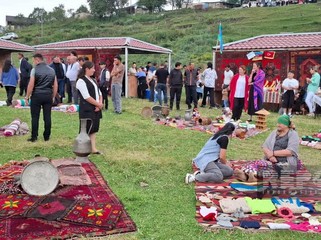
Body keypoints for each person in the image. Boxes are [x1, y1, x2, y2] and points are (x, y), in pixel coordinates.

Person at [235, 115, 299, 182]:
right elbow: (265, 146)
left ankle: (254, 177)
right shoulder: (274, 132)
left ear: (286, 125)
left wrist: (273, 153)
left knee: (271, 169)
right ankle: (245, 175)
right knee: (256, 164)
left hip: (285, 162)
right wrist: (270, 156)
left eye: (280, 123)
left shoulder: (293, 134)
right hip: (270, 159)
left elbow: (291, 151)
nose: (278, 125)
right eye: (278, 123)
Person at [25, 53, 58, 142]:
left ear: (37, 60)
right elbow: (55, 85)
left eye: (34, 61)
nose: (34, 62)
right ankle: (46, 136)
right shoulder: (52, 70)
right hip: (48, 95)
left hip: (37, 95)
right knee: (47, 116)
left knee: (35, 117)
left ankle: (34, 137)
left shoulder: (34, 70)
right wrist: (53, 96)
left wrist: (27, 96)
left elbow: (31, 85)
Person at [76, 61, 103, 154]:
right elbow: (86, 96)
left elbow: (99, 93)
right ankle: (82, 148)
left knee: (94, 128)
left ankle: (93, 148)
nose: (94, 70)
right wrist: (98, 104)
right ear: (87, 69)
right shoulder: (81, 81)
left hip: (96, 107)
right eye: (93, 68)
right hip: (86, 108)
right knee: (85, 129)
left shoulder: (93, 80)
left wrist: (99, 103)